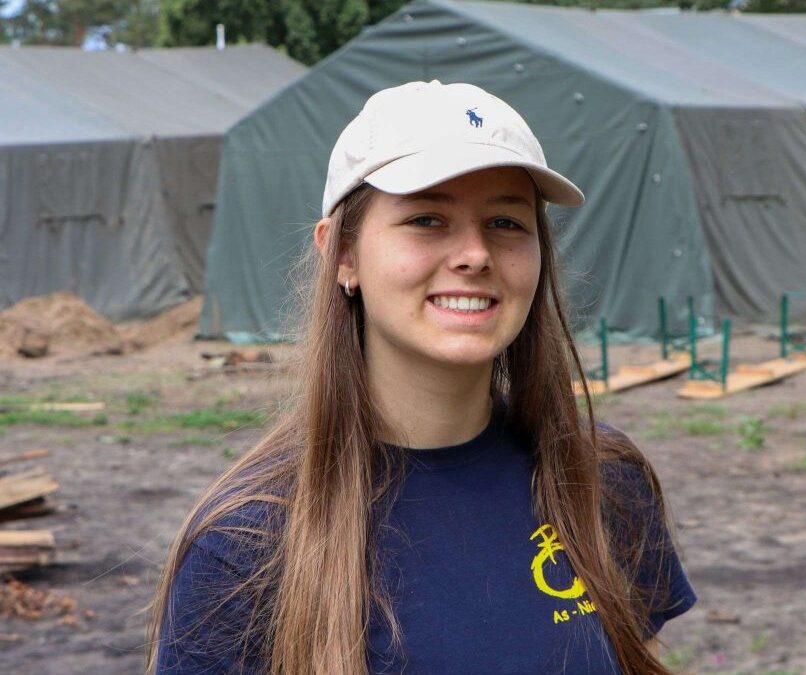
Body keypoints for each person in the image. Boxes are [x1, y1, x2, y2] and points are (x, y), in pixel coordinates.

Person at [146, 80, 696, 675]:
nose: (475, 254)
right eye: (427, 218)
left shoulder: (603, 481)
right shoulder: (243, 545)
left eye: (506, 221)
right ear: (343, 254)